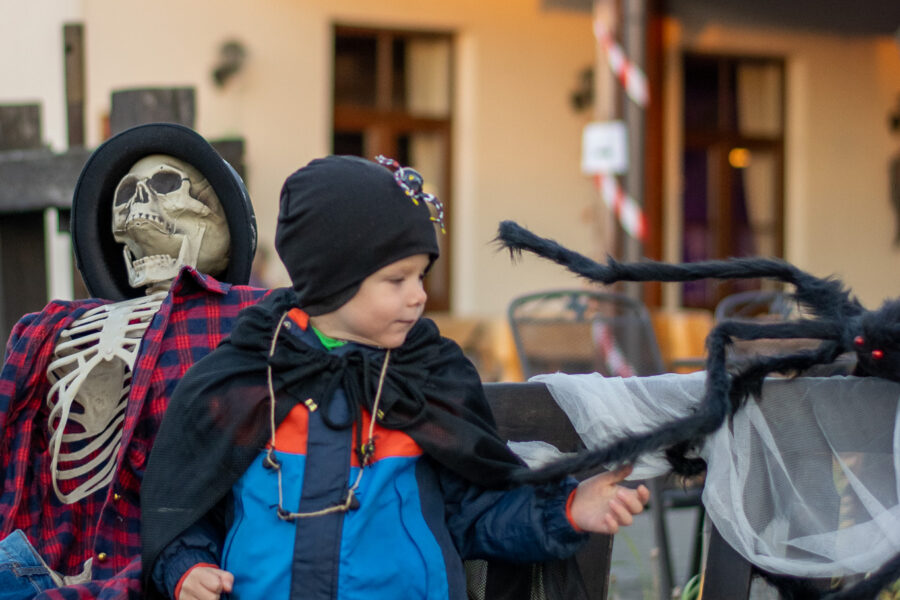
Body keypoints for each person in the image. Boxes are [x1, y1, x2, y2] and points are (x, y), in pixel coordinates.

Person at [141, 155, 650, 600]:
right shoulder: (249, 373)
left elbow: (478, 509)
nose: (418, 297)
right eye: (396, 279)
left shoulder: (426, 376)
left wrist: (566, 508)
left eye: (421, 275)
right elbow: (186, 501)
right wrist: (186, 566)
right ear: (333, 276)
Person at [0, 123, 266, 599]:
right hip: (32, 560)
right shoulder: (47, 328)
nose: (136, 211)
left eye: (165, 188)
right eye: (126, 197)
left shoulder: (244, 319)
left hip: (167, 565)